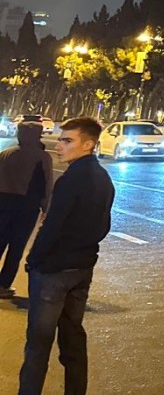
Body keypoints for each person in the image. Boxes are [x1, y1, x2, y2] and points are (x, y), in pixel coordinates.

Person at [18, 116, 114, 395]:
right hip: (82, 268)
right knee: (73, 338)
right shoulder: (103, 178)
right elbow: (104, 225)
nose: (59, 145)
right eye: (60, 139)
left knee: (38, 342)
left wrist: (33, 260)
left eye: (67, 140)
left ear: (88, 144)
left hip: (53, 272)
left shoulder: (71, 180)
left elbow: (52, 227)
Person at [0, 122, 54, 297]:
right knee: (16, 247)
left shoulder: (6, 154)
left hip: (2, 203)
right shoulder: (43, 157)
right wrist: (46, 209)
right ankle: (3, 285)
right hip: (27, 206)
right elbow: (46, 185)